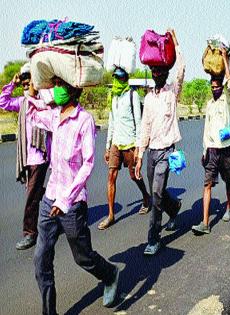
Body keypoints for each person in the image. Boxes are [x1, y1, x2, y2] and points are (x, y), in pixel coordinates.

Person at [30, 77, 120, 314]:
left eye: (61, 84)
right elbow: (29, 113)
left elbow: (87, 164)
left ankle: (110, 274)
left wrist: (66, 200)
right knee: (41, 260)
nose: (57, 89)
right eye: (55, 84)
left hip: (72, 204)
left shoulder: (84, 121)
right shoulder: (52, 116)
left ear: (74, 89)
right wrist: (31, 88)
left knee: (83, 257)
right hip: (50, 198)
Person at [134, 28, 184, 256]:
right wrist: (138, 156)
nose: (156, 73)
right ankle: (174, 208)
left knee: (155, 196)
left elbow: (181, 69)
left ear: (165, 72)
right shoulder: (149, 98)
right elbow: (144, 128)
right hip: (151, 154)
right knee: (160, 195)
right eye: (154, 70)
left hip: (166, 152)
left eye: (160, 70)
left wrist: (175, 41)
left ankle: (153, 239)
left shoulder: (172, 93)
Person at [0, 64, 50, 250]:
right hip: (26, 157)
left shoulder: (43, 103)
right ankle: (59, 210)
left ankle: (30, 233)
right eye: (23, 84)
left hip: (39, 157)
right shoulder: (22, 102)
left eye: (28, 83)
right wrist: (11, 84)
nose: (26, 87)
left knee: (31, 197)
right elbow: (3, 102)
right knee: (38, 192)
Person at [99, 67, 151, 230]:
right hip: (116, 142)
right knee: (111, 176)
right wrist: (107, 146)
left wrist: (138, 147)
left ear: (125, 79)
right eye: (116, 78)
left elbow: (138, 121)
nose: (118, 81)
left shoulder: (132, 95)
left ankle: (146, 197)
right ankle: (111, 215)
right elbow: (112, 123)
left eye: (121, 78)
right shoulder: (113, 97)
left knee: (134, 176)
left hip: (130, 143)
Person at [191, 49, 230, 235]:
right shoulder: (209, 104)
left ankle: (229, 207)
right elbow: (206, 128)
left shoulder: (227, 100)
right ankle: (205, 222)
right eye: (212, 86)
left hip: (225, 147)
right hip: (211, 149)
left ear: (221, 87)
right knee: (207, 184)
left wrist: (225, 59)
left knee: (227, 181)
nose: (215, 89)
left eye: (218, 86)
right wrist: (204, 151)